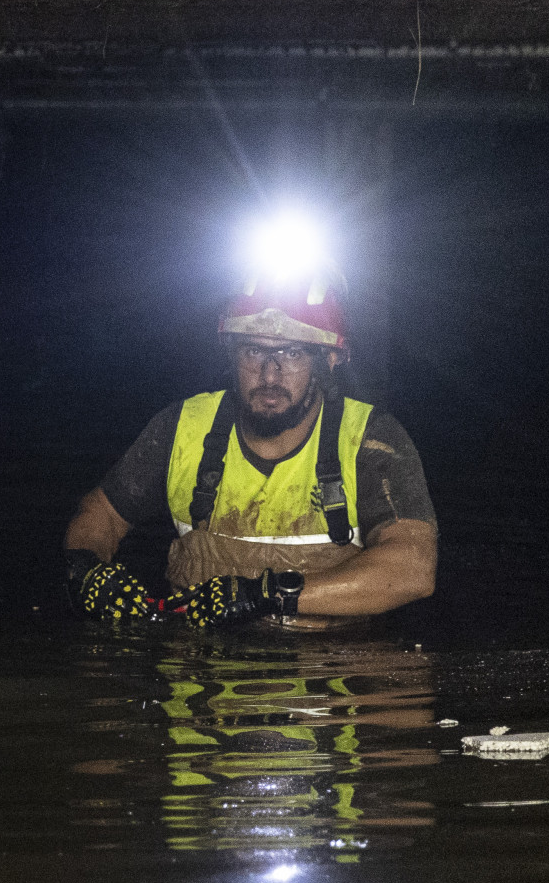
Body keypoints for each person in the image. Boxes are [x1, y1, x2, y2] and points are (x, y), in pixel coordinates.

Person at [62, 258, 436, 631]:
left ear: (328, 361)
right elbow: (100, 516)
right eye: (253, 351)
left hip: (330, 672)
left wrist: (267, 595)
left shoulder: (369, 440)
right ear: (232, 354)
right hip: (200, 667)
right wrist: (88, 571)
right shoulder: (183, 428)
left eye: (291, 353)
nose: (269, 373)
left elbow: (413, 568)